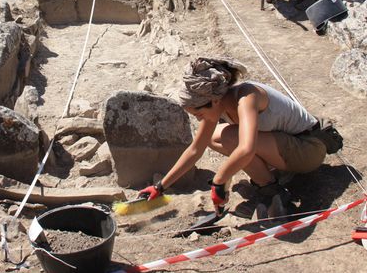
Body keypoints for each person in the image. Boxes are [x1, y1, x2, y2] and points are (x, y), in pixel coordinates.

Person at [138, 57, 327, 217]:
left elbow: (246, 149)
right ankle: (271, 174)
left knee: (231, 137)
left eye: (199, 114)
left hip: (308, 149)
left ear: (214, 100)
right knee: (213, 136)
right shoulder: (219, 104)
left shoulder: (247, 97)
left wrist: (219, 181)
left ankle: (271, 190)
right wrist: (160, 187)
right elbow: (196, 149)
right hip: (286, 145)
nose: (199, 119)